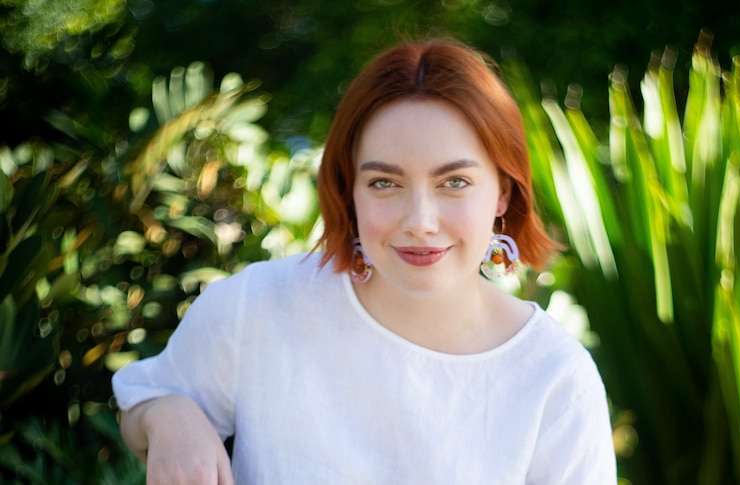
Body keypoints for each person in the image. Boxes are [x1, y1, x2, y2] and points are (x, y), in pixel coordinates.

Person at [112, 38, 617, 484]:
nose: (420, 220)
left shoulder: (555, 379)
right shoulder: (258, 307)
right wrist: (170, 414)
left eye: (455, 182)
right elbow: (142, 401)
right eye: (384, 183)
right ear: (347, 190)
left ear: (503, 193)